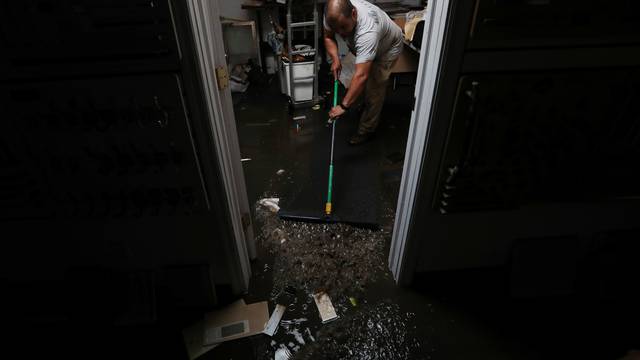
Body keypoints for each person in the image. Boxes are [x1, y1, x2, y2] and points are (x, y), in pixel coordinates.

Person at [324, 0, 403, 145]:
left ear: (354, 13)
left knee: (374, 89)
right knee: (354, 79)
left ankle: (366, 130)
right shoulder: (332, 15)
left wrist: (343, 106)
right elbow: (328, 37)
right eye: (337, 29)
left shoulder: (367, 31)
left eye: (343, 27)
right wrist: (335, 58)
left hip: (387, 49)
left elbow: (361, 76)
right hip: (366, 45)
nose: (341, 33)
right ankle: (362, 103)